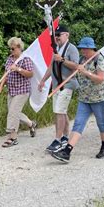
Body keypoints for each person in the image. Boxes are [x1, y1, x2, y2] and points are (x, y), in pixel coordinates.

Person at [51, 37, 104, 163]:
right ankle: (66, 152)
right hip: (84, 98)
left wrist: (86, 72)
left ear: (91, 48)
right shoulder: (82, 59)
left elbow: (100, 79)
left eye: (84, 48)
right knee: (78, 123)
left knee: (101, 123)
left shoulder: (99, 59)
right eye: (81, 48)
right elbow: (76, 72)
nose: (82, 50)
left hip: (98, 98)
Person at [38, 25, 79, 153]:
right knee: (61, 111)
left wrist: (62, 60)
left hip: (67, 84)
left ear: (67, 35)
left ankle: (57, 139)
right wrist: (43, 80)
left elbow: (76, 66)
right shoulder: (57, 49)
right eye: (56, 36)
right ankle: (66, 137)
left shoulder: (71, 49)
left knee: (59, 112)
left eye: (59, 35)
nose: (57, 38)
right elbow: (51, 66)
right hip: (57, 86)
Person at [0, 37, 37, 147]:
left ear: (19, 48)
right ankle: (31, 124)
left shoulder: (25, 59)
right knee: (14, 112)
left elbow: (30, 74)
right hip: (12, 90)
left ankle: (12, 137)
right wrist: (0, 87)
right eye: (10, 49)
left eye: (13, 49)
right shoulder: (10, 59)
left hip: (22, 90)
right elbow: (5, 74)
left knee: (13, 112)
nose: (11, 51)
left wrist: (18, 69)